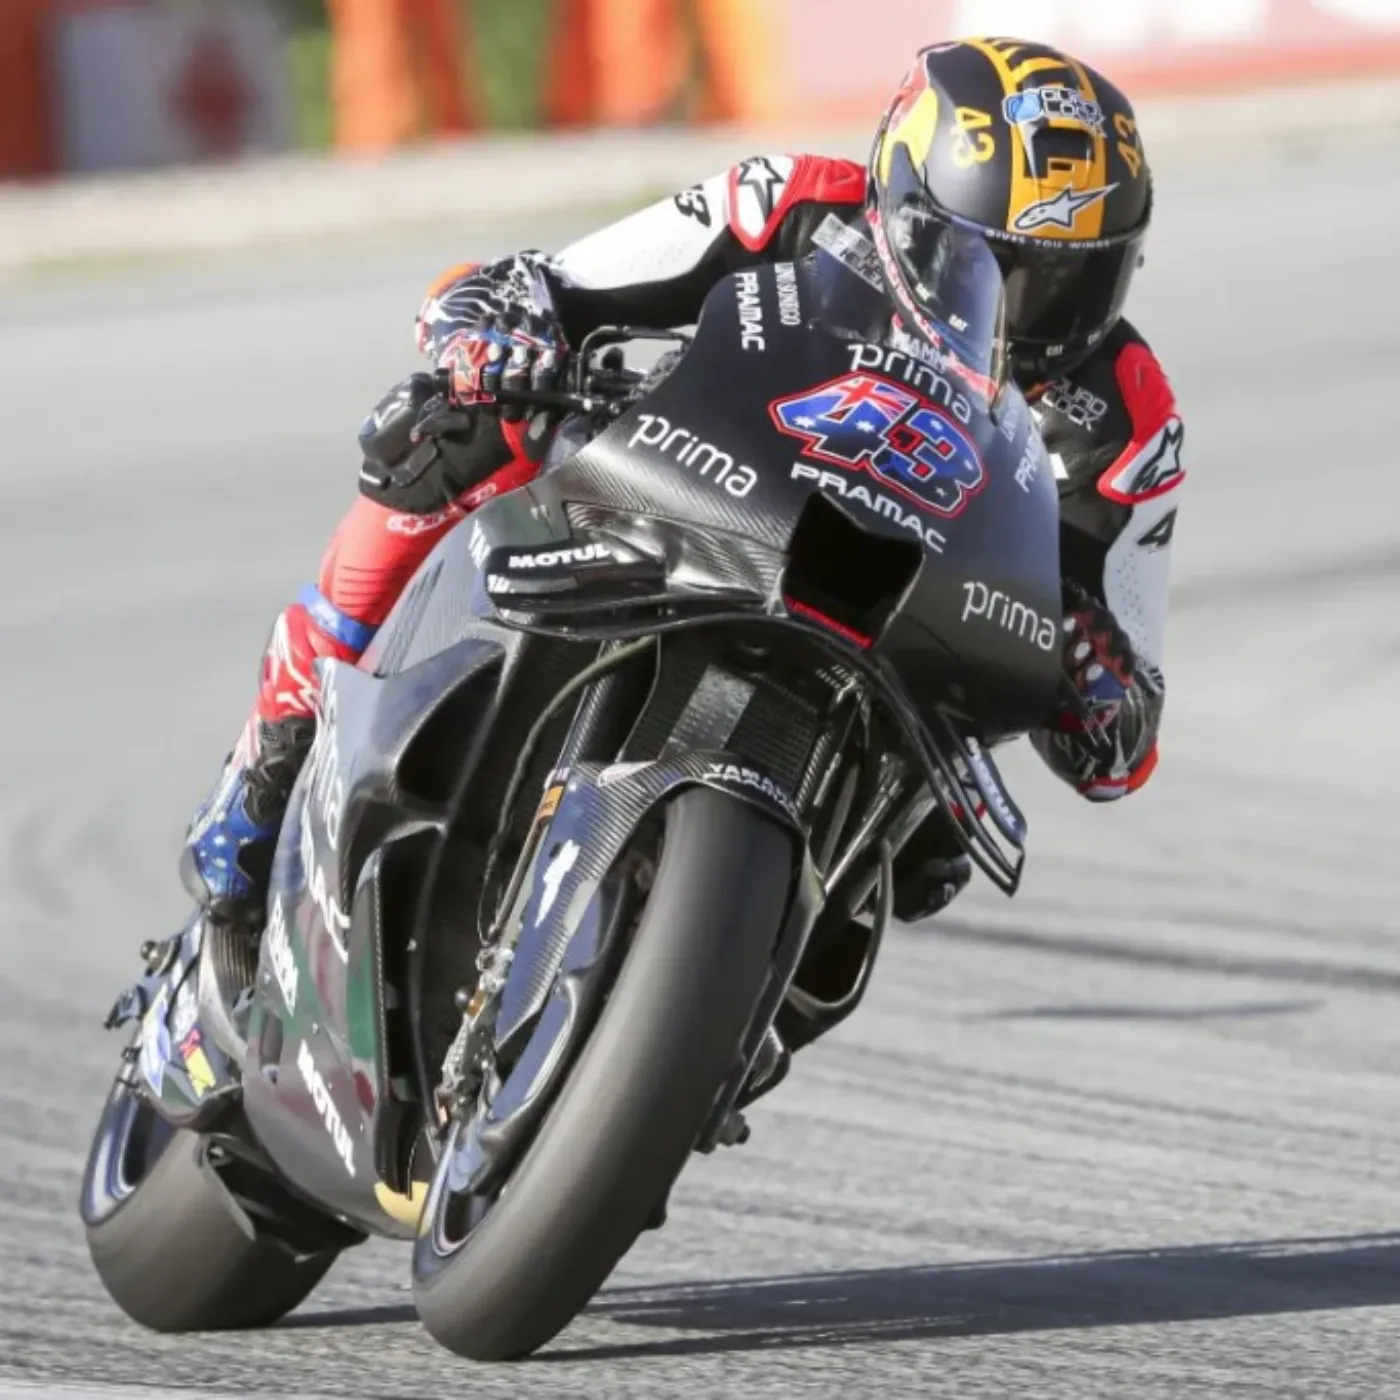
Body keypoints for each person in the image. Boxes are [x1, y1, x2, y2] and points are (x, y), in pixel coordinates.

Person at [183, 37, 1183, 936]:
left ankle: (728, 1010)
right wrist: (493, 331)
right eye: (990, 267)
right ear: (904, 202)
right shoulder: (793, 200)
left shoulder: (1127, 414)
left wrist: (1096, 680)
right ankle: (277, 739)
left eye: (1073, 282)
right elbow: (550, 284)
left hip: (903, 655)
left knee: (925, 862)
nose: (1025, 315)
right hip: (706, 495)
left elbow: (1125, 738)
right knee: (453, 428)